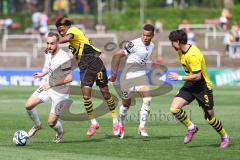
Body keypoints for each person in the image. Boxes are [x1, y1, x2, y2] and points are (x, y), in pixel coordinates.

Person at [55, 17, 118, 136]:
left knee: (105, 93)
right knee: (86, 97)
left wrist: (55, 41)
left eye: (62, 30)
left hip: (94, 62)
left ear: (68, 27)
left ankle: (115, 121)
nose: (61, 32)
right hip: (84, 67)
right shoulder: (73, 42)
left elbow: (67, 38)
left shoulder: (73, 30)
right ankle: (94, 122)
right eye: (59, 31)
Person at [168, 29, 230, 148]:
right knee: (174, 109)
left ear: (177, 41)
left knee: (210, 118)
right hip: (190, 85)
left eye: (172, 42)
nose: (172, 45)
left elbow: (197, 76)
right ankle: (192, 128)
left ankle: (224, 136)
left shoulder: (193, 54)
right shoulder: (181, 51)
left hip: (202, 88)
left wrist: (179, 77)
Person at [109, 24, 155, 139]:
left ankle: (142, 127)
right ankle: (120, 123)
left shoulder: (152, 46)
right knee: (126, 104)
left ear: (152, 35)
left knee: (148, 99)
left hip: (141, 76)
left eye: (148, 35)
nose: (145, 37)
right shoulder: (134, 44)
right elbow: (116, 55)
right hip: (128, 77)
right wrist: (114, 74)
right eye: (143, 35)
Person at [25, 32, 73, 143]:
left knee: (51, 122)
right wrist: (42, 74)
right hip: (48, 85)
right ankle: (37, 125)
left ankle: (60, 132)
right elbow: (49, 67)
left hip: (61, 92)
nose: (49, 46)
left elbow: (69, 78)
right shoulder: (48, 52)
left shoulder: (64, 57)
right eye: (47, 43)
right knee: (28, 105)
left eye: (52, 43)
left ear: (58, 43)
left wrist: (52, 84)